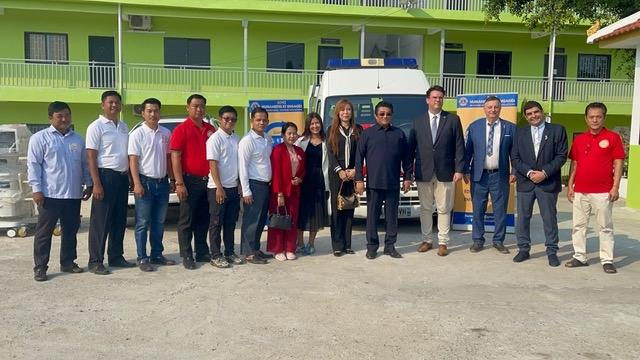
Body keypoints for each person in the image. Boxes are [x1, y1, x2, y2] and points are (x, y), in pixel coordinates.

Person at [27, 101, 93, 281]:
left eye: (67, 115)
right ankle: (40, 267)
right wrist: (36, 189)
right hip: (49, 195)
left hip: (73, 194)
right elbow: (33, 166)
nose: (64, 119)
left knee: (71, 230)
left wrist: (88, 183)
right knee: (44, 233)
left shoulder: (78, 139)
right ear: (50, 118)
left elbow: (84, 164)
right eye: (59, 116)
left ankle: (68, 262)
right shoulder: (39, 138)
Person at [565, 102, 625, 274]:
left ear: (604, 117)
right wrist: (570, 186)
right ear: (586, 118)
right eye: (591, 117)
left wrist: (615, 187)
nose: (595, 120)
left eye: (598, 116)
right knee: (578, 225)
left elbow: (618, 162)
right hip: (580, 190)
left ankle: (607, 259)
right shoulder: (579, 140)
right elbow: (574, 163)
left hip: (603, 191)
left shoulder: (613, 138)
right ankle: (580, 256)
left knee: (605, 227)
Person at [405, 85, 465, 257]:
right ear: (427, 100)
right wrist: (409, 174)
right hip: (423, 171)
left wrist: (459, 169)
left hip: (446, 171)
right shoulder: (417, 121)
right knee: (425, 208)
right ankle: (427, 240)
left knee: (444, 208)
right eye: (434, 97)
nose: (437, 100)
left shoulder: (453, 119)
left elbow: (459, 146)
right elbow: (411, 150)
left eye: (440, 97)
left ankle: (443, 242)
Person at [511, 101, 567, 267]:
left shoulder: (557, 130)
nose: (533, 116)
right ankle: (523, 249)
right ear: (525, 117)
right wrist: (529, 173)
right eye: (529, 114)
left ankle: (551, 251)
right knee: (523, 218)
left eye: (536, 112)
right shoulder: (519, 133)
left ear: (542, 112)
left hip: (547, 182)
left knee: (549, 218)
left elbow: (561, 156)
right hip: (525, 182)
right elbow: (515, 158)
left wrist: (544, 173)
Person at [86, 90, 135, 275]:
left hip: (121, 177)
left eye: (117, 102)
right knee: (101, 222)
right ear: (103, 105)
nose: (114, 105)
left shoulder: (123, 126)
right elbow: (91, 156)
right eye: (110, 102)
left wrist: (130, 177)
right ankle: (95, 260)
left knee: (119, 220)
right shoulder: (96, 126)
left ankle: (116, 256)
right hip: (105, 177)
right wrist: (96, 183)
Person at [355, 101, 410, 260]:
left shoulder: (399, 134)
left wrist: (407, 177)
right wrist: (359, 179)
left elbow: (406, 158)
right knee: (372, 217)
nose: (385, 116)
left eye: (388, 114)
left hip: (393, 183)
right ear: (376, 115)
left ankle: (390, 246)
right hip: (374, 183)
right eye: (382, 114)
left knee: (392, 217)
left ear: (391, 115)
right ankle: (372, 247)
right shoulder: (367, 134)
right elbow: (359, 158)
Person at [128, 98, 177, 272]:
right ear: (143, 113)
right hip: (145, 183)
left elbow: (169, 159)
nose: (153, 114)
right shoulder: (137, 134)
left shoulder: (165, 133)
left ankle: (157, 254)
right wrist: (136, 183)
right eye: (149, 111)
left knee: (159, 222)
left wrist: (172, 180)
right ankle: (142, 258)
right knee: (142, 223)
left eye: (156, 110)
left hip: (162, 183)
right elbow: (133, 160)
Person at [463, 95, 516, 254]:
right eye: (489, 107)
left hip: (500, 175)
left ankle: (498, 241)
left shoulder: (510, 128)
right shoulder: (474, 127)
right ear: (484, 109)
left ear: (500, 108)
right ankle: (478, 240)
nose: (493, 110)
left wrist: (514, 171)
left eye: (496, 107)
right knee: (478, 209)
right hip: (479, 175)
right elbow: (468, 152)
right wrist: (465, 169)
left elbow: (515, 153)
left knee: (500, 209)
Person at [170, 94, 215, 270]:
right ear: (188, 108)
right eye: (195, 106)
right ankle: (187, 253)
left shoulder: (210, 129)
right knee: (186, 219)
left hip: (208, 181)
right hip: (189, 180)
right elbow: (175, 156)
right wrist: (179, 182)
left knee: (204, 218)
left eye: (202, 106)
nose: (199, 109)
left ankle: (202, 251)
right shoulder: (181, 129)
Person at [206, 105, 244, 269]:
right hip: (217, 188)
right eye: (226, 118)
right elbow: (213, 164)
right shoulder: (214, 139)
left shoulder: (236, 139)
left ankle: (229, 252)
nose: (230, 121)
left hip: (233, 188)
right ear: (220, 119)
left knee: (230, 223)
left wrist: (240, 184)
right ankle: (215, 255)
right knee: (216, 222)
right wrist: (219, 187)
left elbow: (239, 165)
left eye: (233, 119)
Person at [239, 107, 274, 264]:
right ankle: (248, 253)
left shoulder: (267, 138)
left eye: (264, 120)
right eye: (258, 119)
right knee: (251, 220)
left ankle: (256, 249)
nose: (261, 122)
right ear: (252, 120)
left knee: (261, 220)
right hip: (253, 185)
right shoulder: (247, 141)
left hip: (266, 185)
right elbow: (243, 167)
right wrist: (246, 191)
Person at [327, 99, 362, 257]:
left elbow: (361, 153)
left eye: (348, 109)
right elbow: (330, 154)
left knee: (349, 208)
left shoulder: (358, 130)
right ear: (338, 113)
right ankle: (337, 245)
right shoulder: (331, 130)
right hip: (337, 175)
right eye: (342, 110)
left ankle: (347, 245)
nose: (346, 112)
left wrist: (355, 170)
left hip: (352, 174)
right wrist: (339, 171)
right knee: (337, 210)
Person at [268, 122, 306, 261]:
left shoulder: (300, 151)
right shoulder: (278, 150)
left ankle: (290, 248)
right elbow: (276, 173)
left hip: (295, 191)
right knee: (279, 219)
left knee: (292, 220)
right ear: (283, 135)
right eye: (289, 133)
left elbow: (303, 171)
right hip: (280, 191)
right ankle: (278, 249)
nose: (292, 136)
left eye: (294, 133)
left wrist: (299, 179)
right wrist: (279, 193)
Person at [295, 113, 329, 255]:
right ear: (308, 126)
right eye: (312, 123)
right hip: (304, 180)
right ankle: (300, 242)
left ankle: (311, 243)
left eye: (317, 123)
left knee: (316, 213)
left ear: (321, 124)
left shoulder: (327, 141)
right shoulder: (301, 141)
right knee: (301, 212)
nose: (315, 126)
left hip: (320, 181)